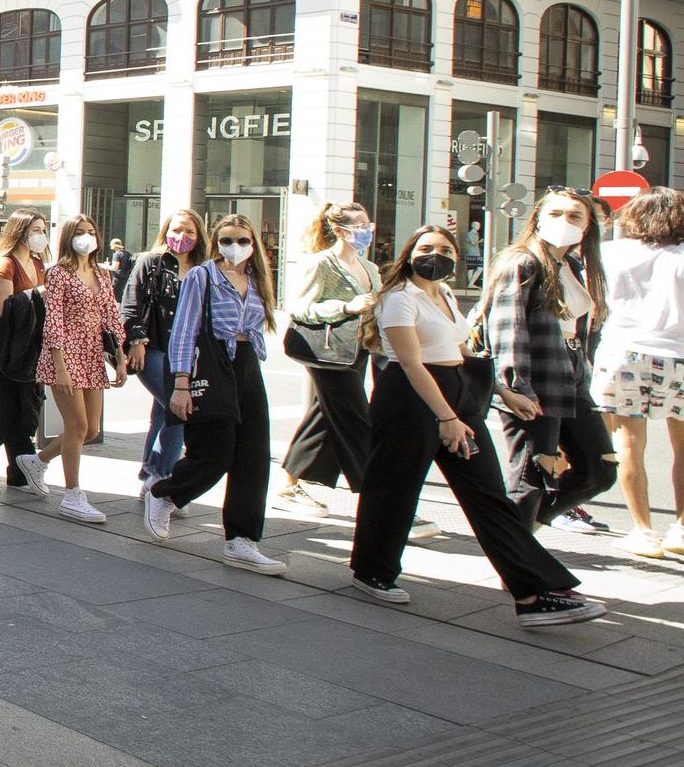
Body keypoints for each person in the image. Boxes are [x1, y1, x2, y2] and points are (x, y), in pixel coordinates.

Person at [345, 224, 604, 626]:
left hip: (456, 391)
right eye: (426, 247)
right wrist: (446, 417)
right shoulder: (398, 298)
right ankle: (373, 571)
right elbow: (411, 363)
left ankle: (533, 592)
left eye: (445, 248)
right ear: (410, 254)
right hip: (410, 397)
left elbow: (461, 350)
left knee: (488, 494)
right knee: (394, 487)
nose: (437, 254)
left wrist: (504, 391)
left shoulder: (445, 294)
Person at [142, 214, 286, 574]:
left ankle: (242, 539)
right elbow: (184, 331)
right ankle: (166, 493)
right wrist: (180, 383)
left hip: (246, 367)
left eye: (242, 239)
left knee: (253, 455)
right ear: (216, 242)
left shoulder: (257, 279)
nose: (234, 247)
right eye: (226, 240)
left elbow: (254, 330)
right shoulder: (201, 276)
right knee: (216, 451)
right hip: (212, 364)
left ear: (254, 243)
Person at [481, 189, 617, 534]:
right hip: (535, 379)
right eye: (555, 214)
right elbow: (507, 328)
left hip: (570, 376)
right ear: (538, 218)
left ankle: (525, 542)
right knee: (532, 477)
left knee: (599, 469)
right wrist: (515, 387)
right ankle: (519, 563)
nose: (564, 222)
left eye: (575, 217)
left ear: (588, 227)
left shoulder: (570, 265)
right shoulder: (522, 261)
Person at [591, 187, 684, 558]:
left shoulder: (610, 253)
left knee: (629, 444)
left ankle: (643, 531)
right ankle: (681, 527)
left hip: (624, 352)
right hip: (680, 354)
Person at [276, 202, 381, 518]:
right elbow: (299, 308)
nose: (366, 231)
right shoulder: (321, 263)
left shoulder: (370, 268)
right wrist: (346, 307)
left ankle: (287, 485)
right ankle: (379, 496)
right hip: (326, 352)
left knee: (323, 416)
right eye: (359, 225)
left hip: (357, 350)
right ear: (339, 230)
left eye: (368, 225)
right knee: (356, 419)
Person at [19, 214, 126, 524]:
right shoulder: (58, 274)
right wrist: (60, 365)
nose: (86, 237)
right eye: (80, 232)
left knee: (90, 429)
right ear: (69, 237)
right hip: (64, 356)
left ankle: (37, 461)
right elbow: (53, 321)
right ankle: (73, 494)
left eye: (91, 231)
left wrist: (120, 356)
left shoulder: (102, 274)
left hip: (92, 356)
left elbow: (111, 317)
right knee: (77, 426)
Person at [119, 208, 207, 493]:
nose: (182, 236)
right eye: (176, 229)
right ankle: (161, 476)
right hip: (153, 348)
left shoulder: (204, 268)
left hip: (187, 354)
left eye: (189, 231)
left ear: (199, 235)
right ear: (166, 231)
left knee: (163, 414)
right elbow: (131, 304)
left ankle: (149, 473)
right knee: (179, 408)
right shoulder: (151, 261)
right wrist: (136, 340)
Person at [0, 211, 50, 490]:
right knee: (13, 408)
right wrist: (38, 294)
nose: (40, 235)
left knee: (27, 407)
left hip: (31, 344)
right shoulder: (5, 264)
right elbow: (5, 308)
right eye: (35, 230)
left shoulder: (38, 262)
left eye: (43, 229)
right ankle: (19, 472)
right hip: (6, 347)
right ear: (20, 232)